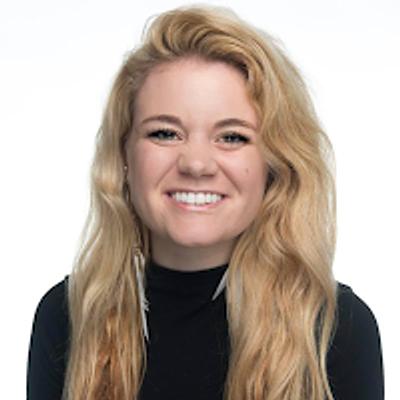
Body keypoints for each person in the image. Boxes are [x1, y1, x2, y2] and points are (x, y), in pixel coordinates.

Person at [27, 5, 384, 400]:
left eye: (232, 137)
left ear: (274, 164)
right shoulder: (69, 316)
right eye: (165, 133)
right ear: (124, 154)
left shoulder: (337, 330)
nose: (196, 164)